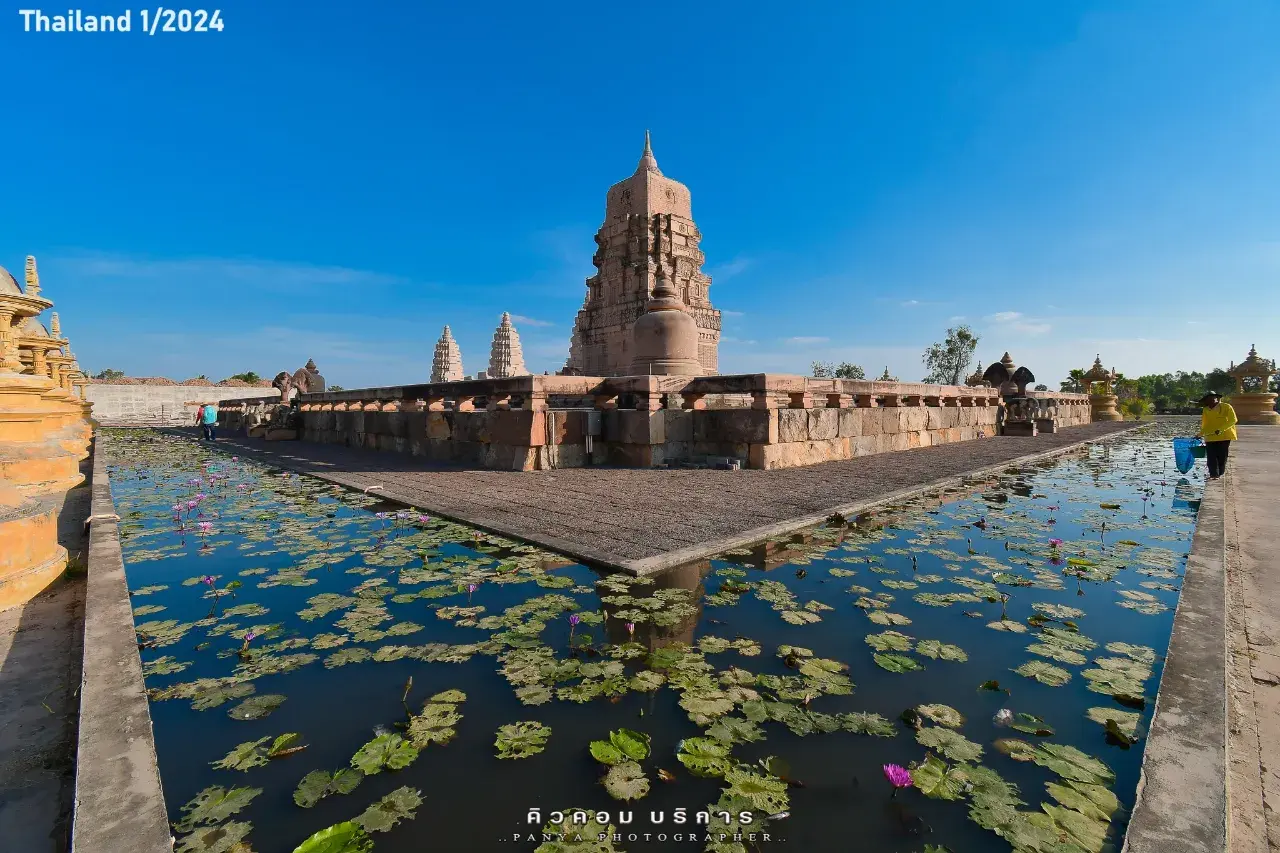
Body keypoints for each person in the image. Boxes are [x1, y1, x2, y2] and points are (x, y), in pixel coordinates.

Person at [1197, 391, 1237, 479]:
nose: (1211, 401)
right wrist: (1200, 434)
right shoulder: (1206, 410)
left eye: (1213, 398)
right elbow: (1205, 424)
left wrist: (1221, 429)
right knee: (1211, 456)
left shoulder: (1226, 407)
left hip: (1224, 435)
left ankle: (1220, 473)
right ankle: (1213, 474)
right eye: (1208, 399)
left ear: (1216, 398)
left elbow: (1233, 420)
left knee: (1222, 456)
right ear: (1206, 401)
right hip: (1210, 436)